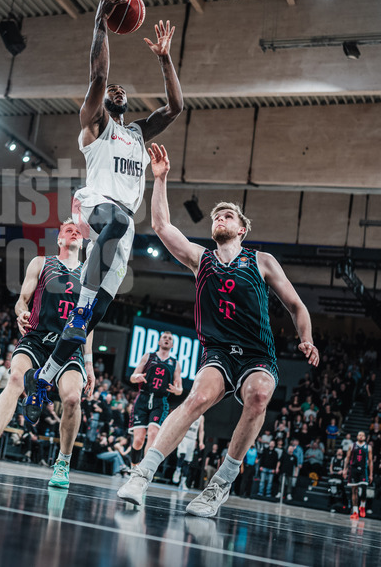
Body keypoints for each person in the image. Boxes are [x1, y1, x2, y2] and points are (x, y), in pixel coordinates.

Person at [118, 142, 318, 515]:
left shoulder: (262, 261)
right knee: (196, 399)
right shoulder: (201, 259)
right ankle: (142, 474)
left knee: (259, 396)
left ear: (242, 228)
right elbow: (161, 226)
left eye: (228, 216)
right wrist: (159, 178)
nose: (220, 219)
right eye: (217, 216)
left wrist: (306, 339)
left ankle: (220, 485)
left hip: (258, 354)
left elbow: (297, 306)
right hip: (219, 351)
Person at [23, 0, 184, 415]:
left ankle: (42, 380)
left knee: (86, 326)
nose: (114, 88)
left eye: (120, 89)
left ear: (128, 104)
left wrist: (165, 59)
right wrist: (100, 19)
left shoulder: (135, 134)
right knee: (116, 224)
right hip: (96, 206)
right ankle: (78, 313)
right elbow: (97, 76)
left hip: (121, 229)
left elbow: (176, 107)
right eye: (109, 88)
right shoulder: (94, 126)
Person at [0, 222, 95, 489]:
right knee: (16, 377)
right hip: (37, 337)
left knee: (73, 398)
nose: (74, 233)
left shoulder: (88, 274)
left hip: (69, 346)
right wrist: (21, 312)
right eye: (68, 230)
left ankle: (63, 462)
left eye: (78, 231)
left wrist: (90, 363)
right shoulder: (41, 262)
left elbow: (89, 323)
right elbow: (22, 300)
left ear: (84, 242)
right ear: (59, 239)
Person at [127, 331, 183, 471]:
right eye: (164, 337)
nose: (166, 340)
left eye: (170, 338)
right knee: (139, 439)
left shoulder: (175, 363)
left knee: (153, 433)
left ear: (172, 344)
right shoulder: (148, 356)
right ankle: (134, 467)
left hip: (160, 401)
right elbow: (133, 377)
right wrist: (137, 377)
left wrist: (177, 391)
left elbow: (180, 388)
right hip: (143, 398)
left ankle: (144, 471)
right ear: (159, 341)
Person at [343, 431, 373, 519]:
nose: (361, 436)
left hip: (363, 470)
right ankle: (355, 511)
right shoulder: (352, 445)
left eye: (363, 435)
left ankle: (362, 505)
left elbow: (371, 462)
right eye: (359, 435)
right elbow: (347, 458)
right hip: (354, 470)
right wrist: (345, 469)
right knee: (354, 491)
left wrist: (371, 474)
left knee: (364, 489)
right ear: (357, 436)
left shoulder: (368, 447)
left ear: (365, 437)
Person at [174, 415, 205, 491]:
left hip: (192, 440)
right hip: (184, 437)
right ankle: (177, 471)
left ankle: (183, 482)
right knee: (182, 454)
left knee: (187, 462)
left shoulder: (201, 417)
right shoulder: (191, 411)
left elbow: (201, 430)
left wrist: (201, 442)